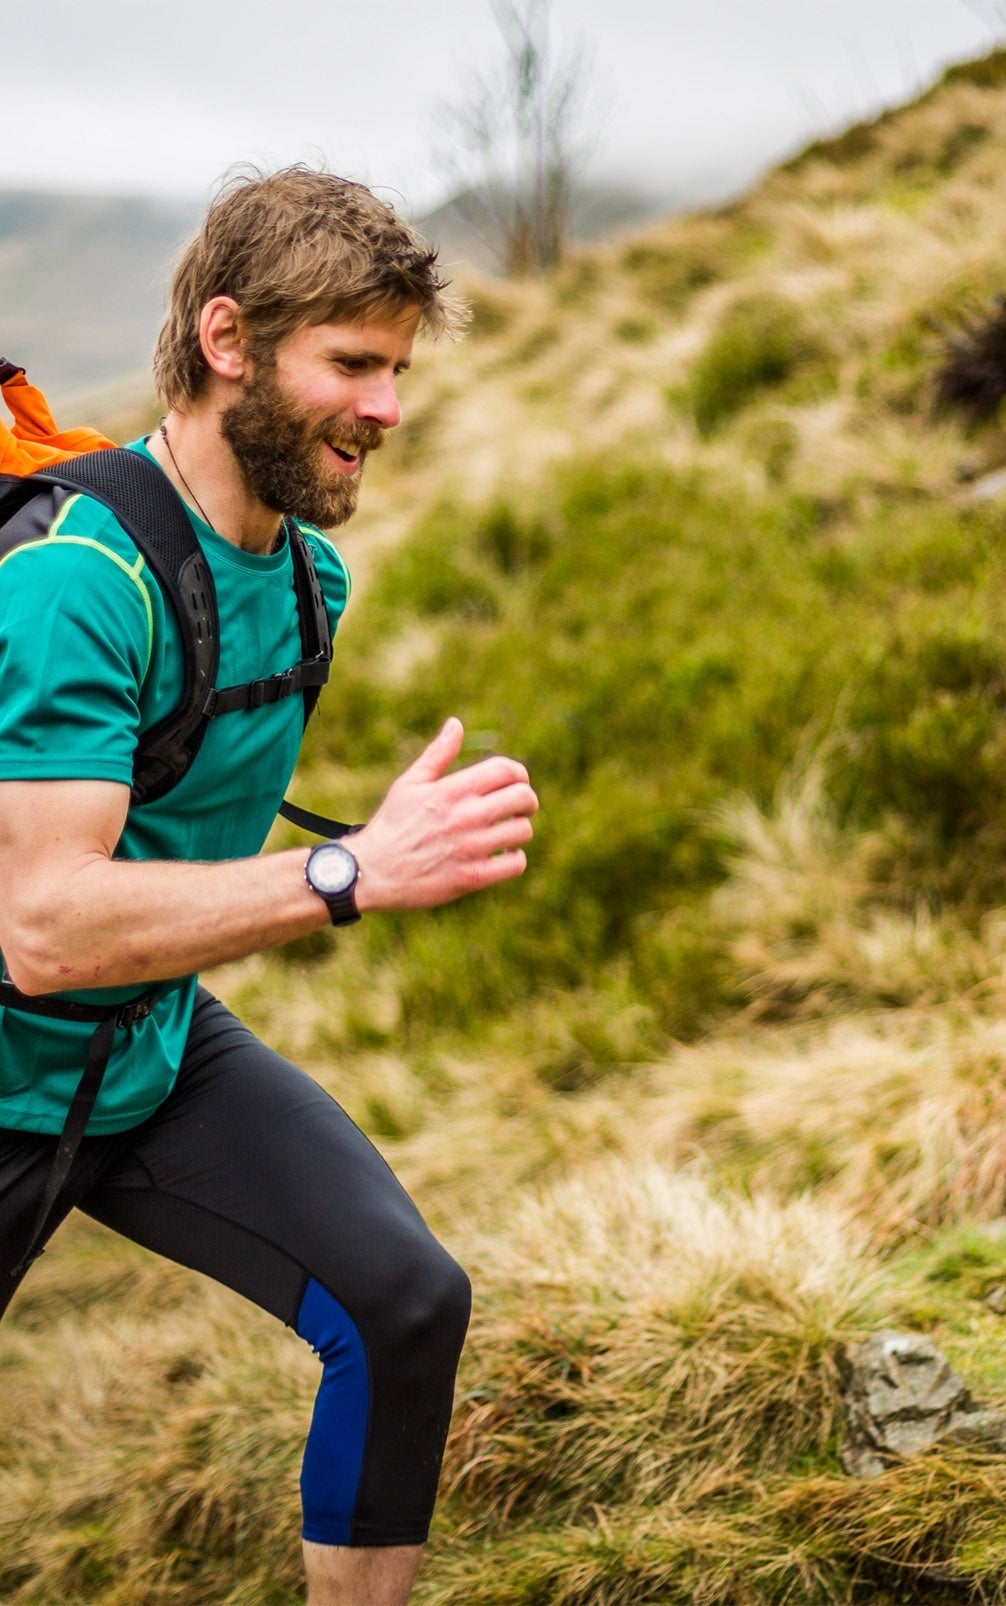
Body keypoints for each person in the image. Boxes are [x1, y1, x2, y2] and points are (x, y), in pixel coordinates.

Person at [0, 167, 539, 1606]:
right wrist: (351, 868)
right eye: (351, 364)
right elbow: (46, 927)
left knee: (404, 1300)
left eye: (400, 369)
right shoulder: (77, 579)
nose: (387, 408)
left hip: (143, 1053)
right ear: (227, 341)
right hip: (9, 1059)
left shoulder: (312, 582)